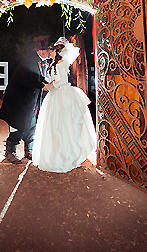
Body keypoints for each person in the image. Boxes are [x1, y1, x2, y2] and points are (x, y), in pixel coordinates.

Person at [33, 38, 98, 173]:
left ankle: (68, 153)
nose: (49, 52)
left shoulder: (61, 63)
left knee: (64, 124)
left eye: (51, 50)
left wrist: (50, 87)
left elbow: (62, 81)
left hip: (61, 94)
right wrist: (49, 83)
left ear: (57, 51)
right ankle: (57, 152)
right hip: (56, 95)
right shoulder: (55, 63)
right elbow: (55, 79)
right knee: (55, 124)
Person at [0, 37, 51, 164]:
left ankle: (29, 151)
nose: (50, 52)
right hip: (19, 100)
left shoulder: (41, 60)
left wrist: (46, 81)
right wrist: (44, 85)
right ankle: (10, 153)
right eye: (48, 50)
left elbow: (39, 77)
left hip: (30, 101)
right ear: (41, 50)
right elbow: (28, 79)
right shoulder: (29, 60)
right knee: (18, 126)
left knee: (31, 124)